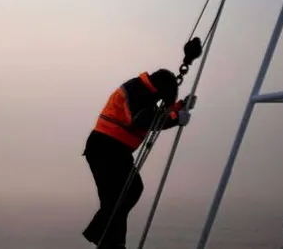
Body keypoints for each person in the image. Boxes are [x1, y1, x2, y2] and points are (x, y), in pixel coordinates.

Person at [81, 69, 197, 248]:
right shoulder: (136, 90)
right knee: (123, 195)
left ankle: (108, 241)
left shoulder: (144, 91)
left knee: (123, 195)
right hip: (106, 149)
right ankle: (108, 241)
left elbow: (154, 114)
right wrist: (175, 118)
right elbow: (141, 120)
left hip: (113, 150)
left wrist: (179, 107)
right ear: (160, 90)